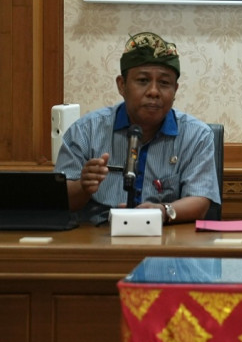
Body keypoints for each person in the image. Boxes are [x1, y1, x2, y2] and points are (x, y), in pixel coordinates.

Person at [55, 31, 220, 226]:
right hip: (100, 239)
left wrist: (162, 211)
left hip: (165, 239)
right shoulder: (86, 131)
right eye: (142, 81)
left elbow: (200, 202)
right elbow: (59, 203)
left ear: (175, 90)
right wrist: (83, 186)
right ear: (122, 85)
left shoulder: (196, 136)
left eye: (164, 83)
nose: (153, 92)